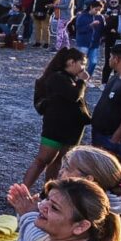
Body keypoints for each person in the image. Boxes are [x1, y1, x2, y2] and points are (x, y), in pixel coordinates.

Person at [23, 48, 92, 188]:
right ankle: (21, 191)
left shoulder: (68, 78)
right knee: (42, 160)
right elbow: (74, 96)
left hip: (70, 128)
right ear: (71, 62)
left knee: (58, 161)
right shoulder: (56, 77)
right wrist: (83, 81)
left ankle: (49, 192)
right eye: (82, 63)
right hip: (56, 127)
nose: (84, 68)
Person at [74, 0, 107, 80]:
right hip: (83, 42)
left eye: (99, 10)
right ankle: (77, 77)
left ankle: (86, 78)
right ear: (91, 7)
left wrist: (103, 37)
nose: (97, 11)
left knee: (93, 62)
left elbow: (103, 29)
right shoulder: (82, 16)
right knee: (81, 62)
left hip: (95, 43)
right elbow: (79, 30)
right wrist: (90, 26)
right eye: (96, 9)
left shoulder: (100, 17)